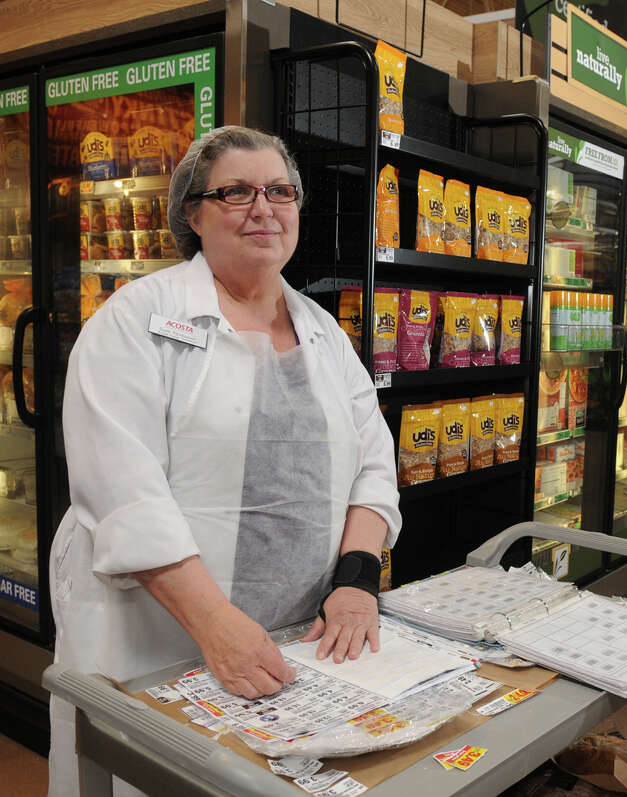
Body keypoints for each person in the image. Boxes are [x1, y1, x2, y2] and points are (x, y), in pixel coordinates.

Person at [48, 126, 401, 795]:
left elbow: (374, 465)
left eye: (280, 191)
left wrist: (357, 578)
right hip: (158, 638)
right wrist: (212, 622)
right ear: (192, 211)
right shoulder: (136, 320)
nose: (263, 208)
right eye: (236, 191)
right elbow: (126, 490)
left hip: (299, 641)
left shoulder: (325, 333)